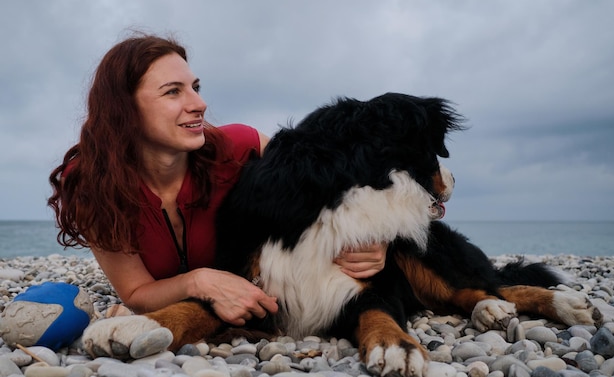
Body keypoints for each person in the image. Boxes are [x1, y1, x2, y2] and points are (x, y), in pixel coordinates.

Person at [48, 33, 386, 327]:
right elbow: (137, 293)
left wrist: (377, 240)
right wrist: (199, 281)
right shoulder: (92, 183)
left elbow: (346, 188)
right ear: (125, 109)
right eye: (172, 92)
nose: (199, 104)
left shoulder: (240, 147)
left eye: (195, 88)